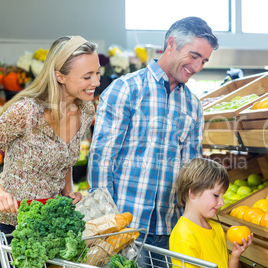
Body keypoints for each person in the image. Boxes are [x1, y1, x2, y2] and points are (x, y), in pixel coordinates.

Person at [88, 16, 219, 251]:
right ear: (171, 44)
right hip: (124, 230)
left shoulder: (193, 106)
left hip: (170, 231)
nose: (198, 67)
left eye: (204, 61)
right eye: (194, 56)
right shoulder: (126, 89)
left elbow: (191, 171)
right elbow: (102, 160)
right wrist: (108, 224)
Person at [0, 35, 99, 268]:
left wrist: (68, 189)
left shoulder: (85, 110)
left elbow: (65, 155)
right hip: (8, 233)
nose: (96, 82)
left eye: (97, 73)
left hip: (48, 234)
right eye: (87, 76)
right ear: (59, 76)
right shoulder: (26, 112)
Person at [170, 158, 253, 268]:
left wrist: (234, 257)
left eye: (223, 196)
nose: (222, 203)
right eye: (216, 195)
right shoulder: (183, 236)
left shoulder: (216, 227)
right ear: (193, 192)